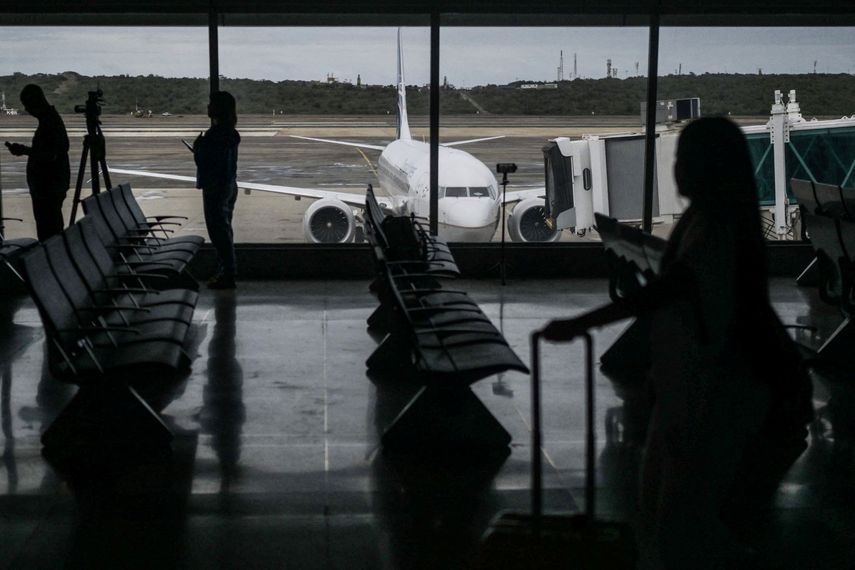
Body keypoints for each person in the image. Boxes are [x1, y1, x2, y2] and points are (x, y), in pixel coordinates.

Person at [542, 117, 812, 569]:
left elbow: (675, 290)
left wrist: (584, 321)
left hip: (722, 394)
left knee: (686, 519)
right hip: (710, 388)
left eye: (686, 160)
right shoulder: (711, 219)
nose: (677, 169)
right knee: (689, 515)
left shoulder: (715, 227)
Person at [5, 84, 70, 241]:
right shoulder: (51, 120)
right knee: (51, 230)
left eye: (27, 105)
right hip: (50, 188)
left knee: (49, 234)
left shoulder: (50, 123)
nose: (27, 110)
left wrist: (25, 150)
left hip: (48, 190)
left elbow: (51, 155)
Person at [194, 91, 240, 289]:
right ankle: (225, 272)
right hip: (229, 185)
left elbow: (207, 163)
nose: (207, 107)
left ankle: (227, 274)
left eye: (211, 104)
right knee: (225, 231)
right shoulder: (231, 133)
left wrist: (198, 149)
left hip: (215, 187)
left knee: (219, 234)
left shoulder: (215, 134)